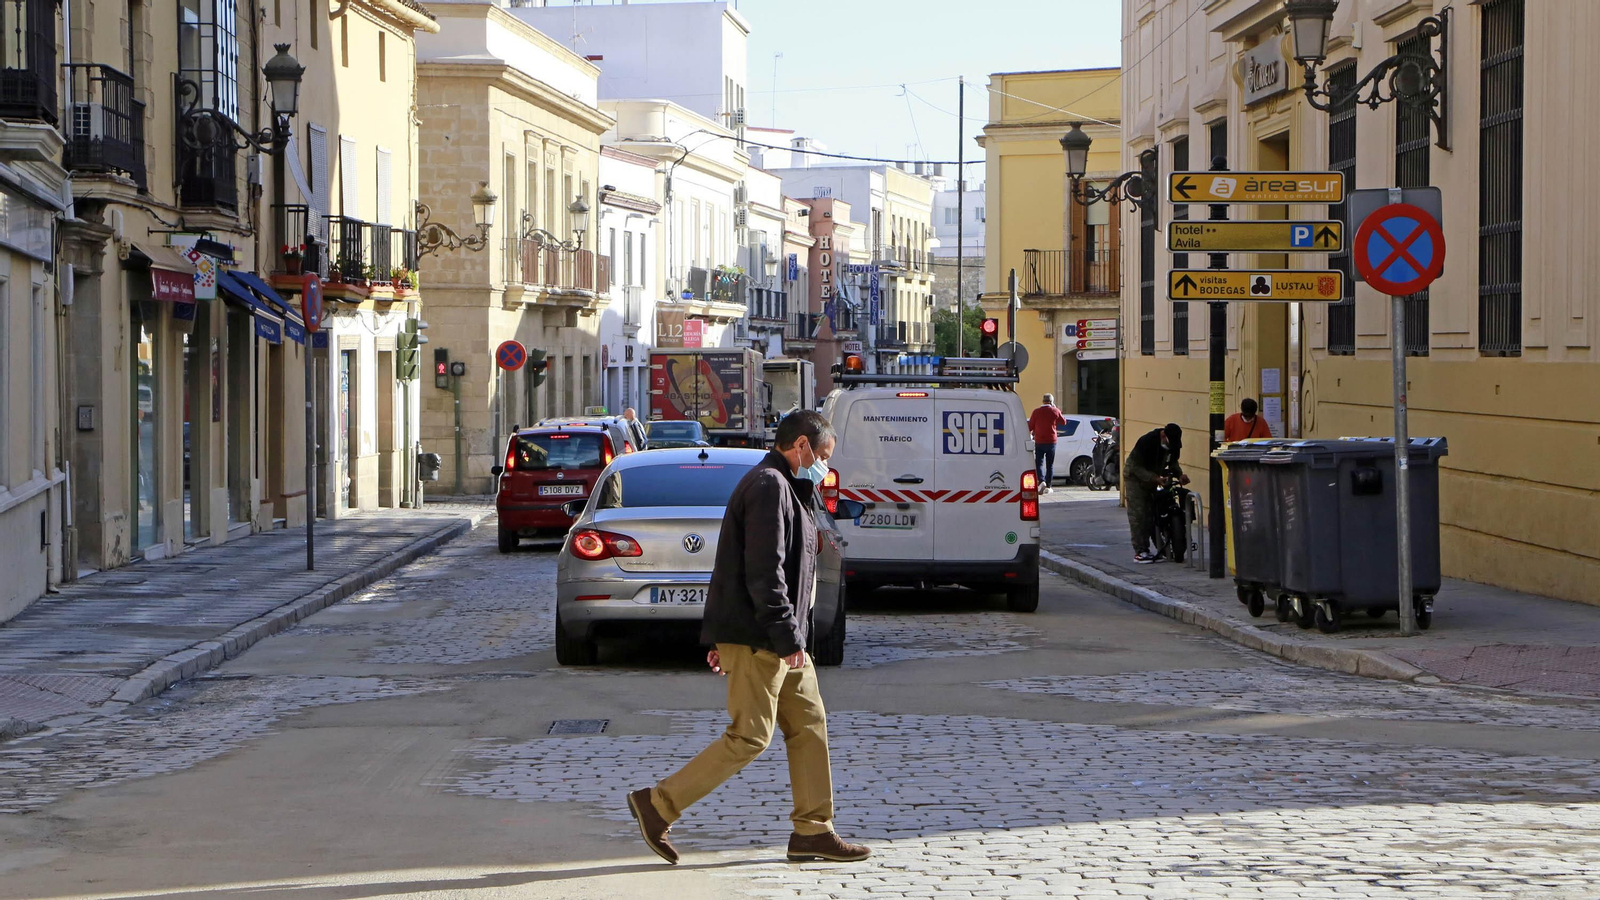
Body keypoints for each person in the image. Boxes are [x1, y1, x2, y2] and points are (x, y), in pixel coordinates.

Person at [626, 410, 871, 865]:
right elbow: (764, 573)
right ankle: (657, 805)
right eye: (820, 455)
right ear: (799, 446)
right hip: (767, 637)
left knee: (809, 724)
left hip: (780, 636)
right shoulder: (768, 487)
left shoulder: (787, 487)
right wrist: (782, 637)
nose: (823, 466)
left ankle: (813, 831)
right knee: (749, 737)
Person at [1124, 423, 1188, 563]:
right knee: (1138, 514)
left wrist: (1180, 475)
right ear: (1164, 435)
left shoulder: (1173, 444)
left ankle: (1161, 546)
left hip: (1154, 476)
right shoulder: (1147, 441)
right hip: (1135, 478)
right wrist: (1155, 478)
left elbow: (1173, 463)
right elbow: (1135, 467)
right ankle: (1140, 551)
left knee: (1152, 512)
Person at [1027, 394, 1069, 492]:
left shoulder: (1036, 412)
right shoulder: (1055, 411)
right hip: (1051, 441)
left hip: (1039, 441)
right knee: (1050, 464)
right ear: (1051, 401)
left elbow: (1030, 426)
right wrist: (1056, 409)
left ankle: (1041, 480)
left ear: (1043, 401)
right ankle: (1049, 486)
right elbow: (1063, 422)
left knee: (1039, 462)